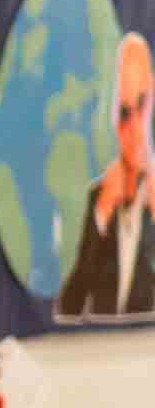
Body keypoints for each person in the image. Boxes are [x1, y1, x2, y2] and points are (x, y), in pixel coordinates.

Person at [55, 32, 153, 320]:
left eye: (142, 104)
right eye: (124, 114)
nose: (135, 128)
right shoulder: (98, 199)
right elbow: (68, 309)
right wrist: (102, 212)